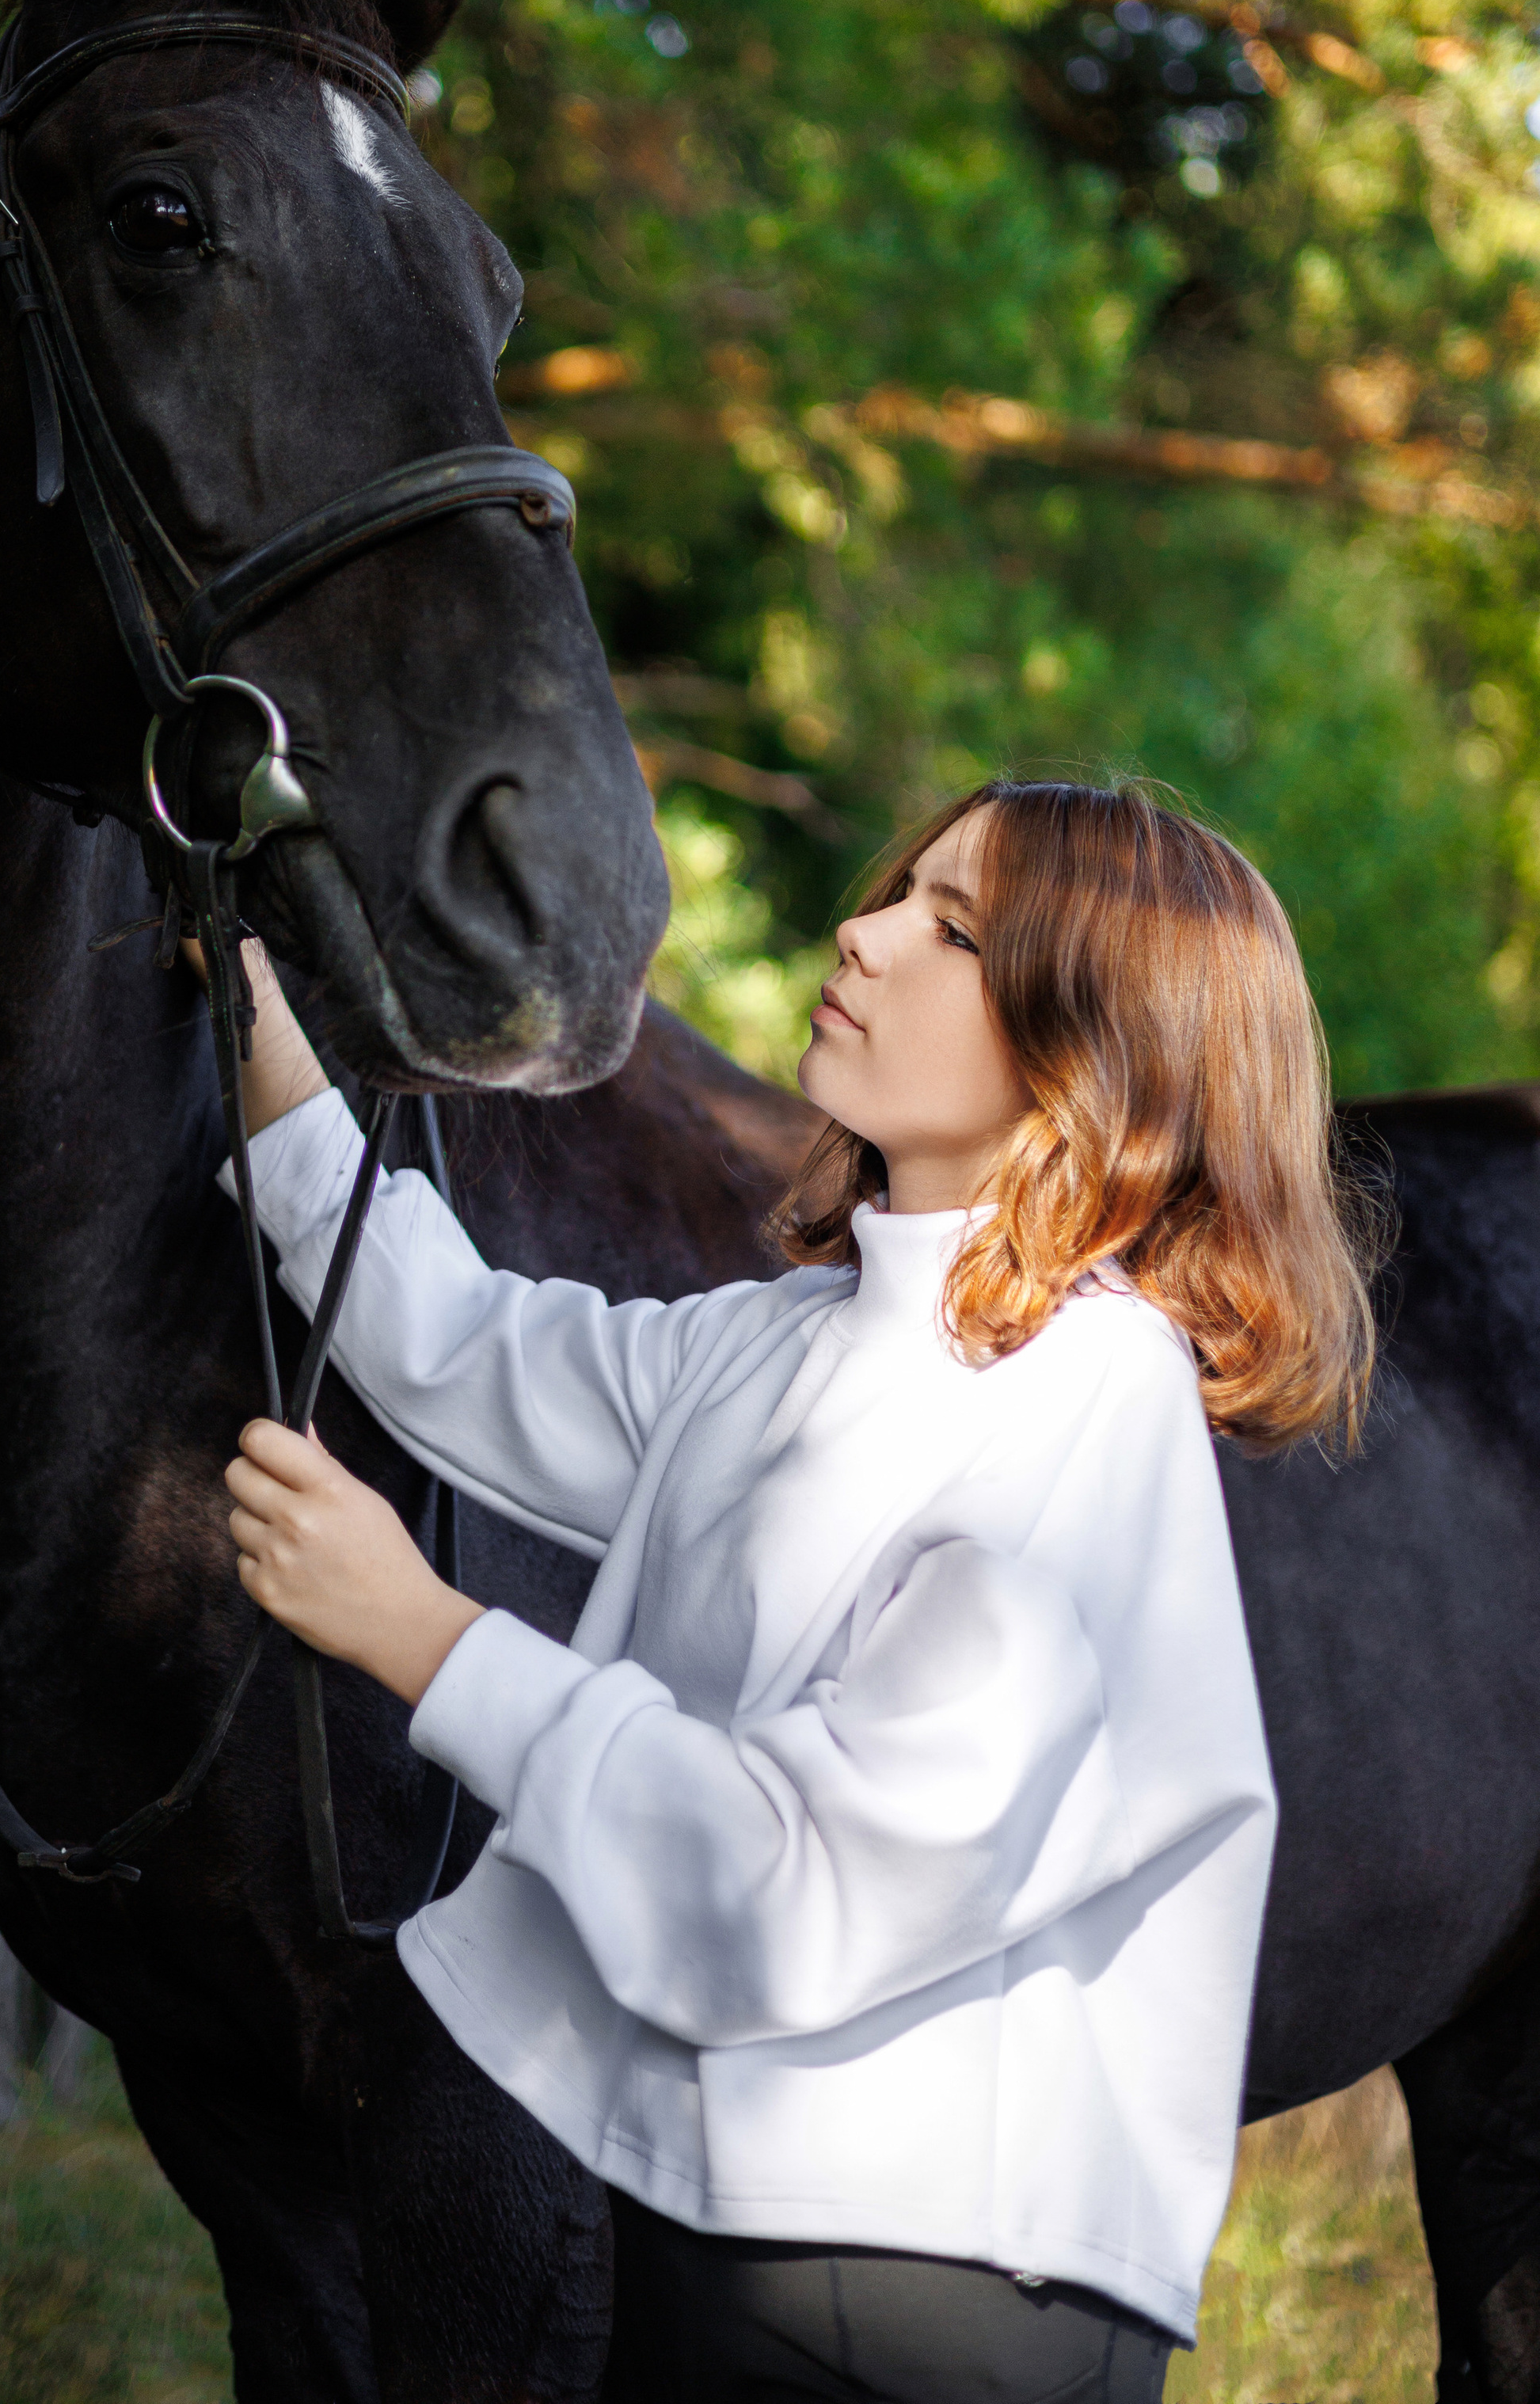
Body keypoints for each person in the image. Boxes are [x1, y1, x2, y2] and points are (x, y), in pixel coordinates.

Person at [215, 778, 1378, 2402]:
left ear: (1092, 1064)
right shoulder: (795, 1338)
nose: (865, 928)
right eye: (902, 889)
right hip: (741, 2237)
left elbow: (799, 1876)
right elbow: (457, 1348)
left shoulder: (1082, 1401)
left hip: (935, 2303)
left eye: (951, 930)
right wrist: (251, 1019)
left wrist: (423, 1636)